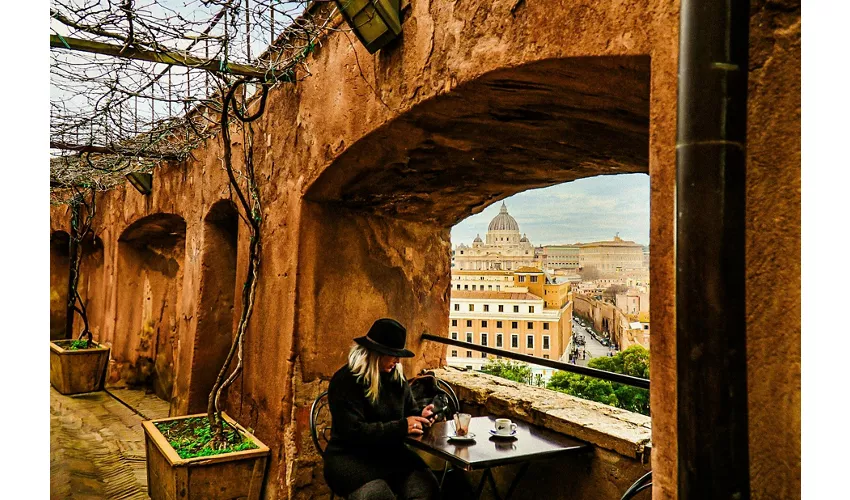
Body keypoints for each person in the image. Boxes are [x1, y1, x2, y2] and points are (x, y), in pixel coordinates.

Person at [323, 318, 440, 500]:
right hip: (350, 458)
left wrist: (420, 416)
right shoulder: (345, 381)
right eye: (393, 354)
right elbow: (354, 433)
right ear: (377, 353)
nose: (398, 360)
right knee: (378, 496)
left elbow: (409, 412)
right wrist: (402, 427)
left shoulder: (396, 377)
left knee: (427, 487)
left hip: (390, 454)